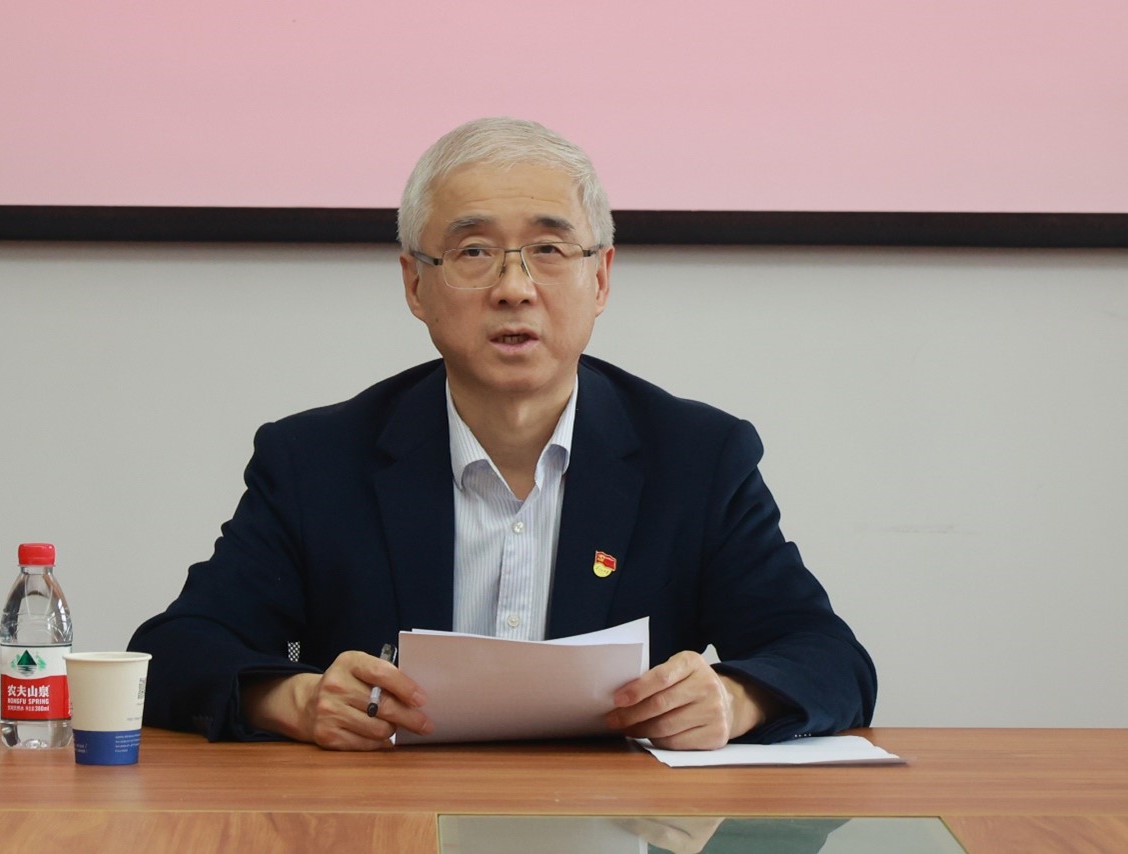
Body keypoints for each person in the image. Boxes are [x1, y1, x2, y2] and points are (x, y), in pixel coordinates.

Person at [129, 117, 877, 751]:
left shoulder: (697, 459)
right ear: (415, 284)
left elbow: (829, 658)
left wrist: (734, 699)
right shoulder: (317, 462)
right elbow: (173, 651)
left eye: (549, 250)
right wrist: (291, 700)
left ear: (601, 278)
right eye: (474, 252)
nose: (514, 288)